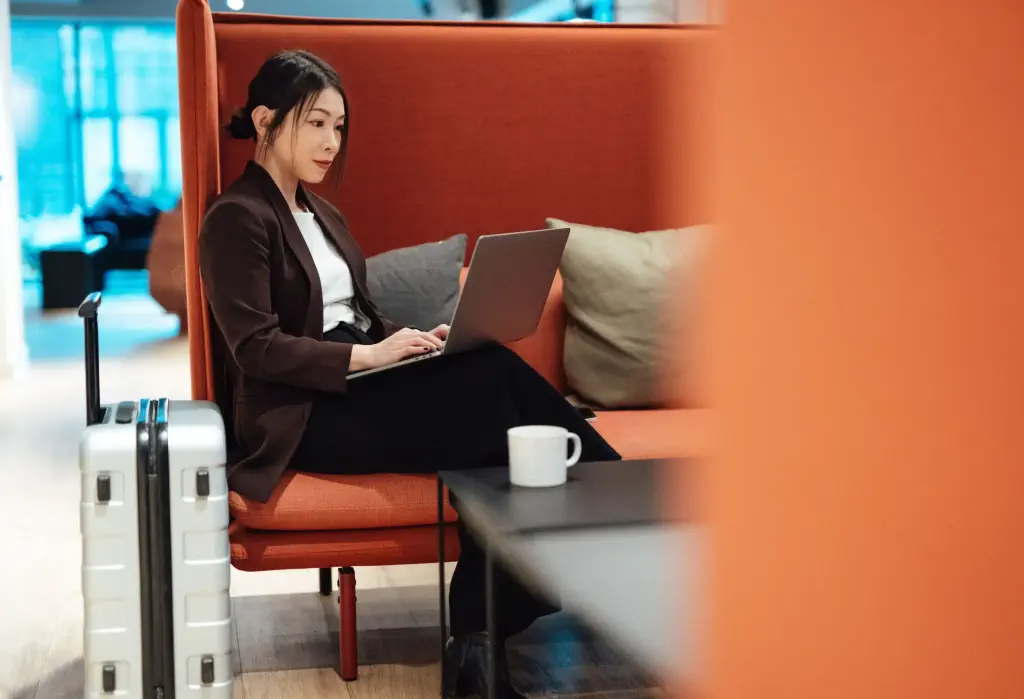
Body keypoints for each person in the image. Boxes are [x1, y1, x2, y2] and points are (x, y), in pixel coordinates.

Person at [198, 50, 620, 698]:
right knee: (496, 387)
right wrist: (367, 357)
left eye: (339, 127)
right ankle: (613, 499)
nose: (331, 142)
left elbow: (355, 313)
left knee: (491, 425)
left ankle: (480, 648)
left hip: (357, 383)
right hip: (304, 412)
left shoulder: (322, 214)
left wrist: (408, 342)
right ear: (265, 120)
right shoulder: (237, 217)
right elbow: (254, 346)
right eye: (316, 123)